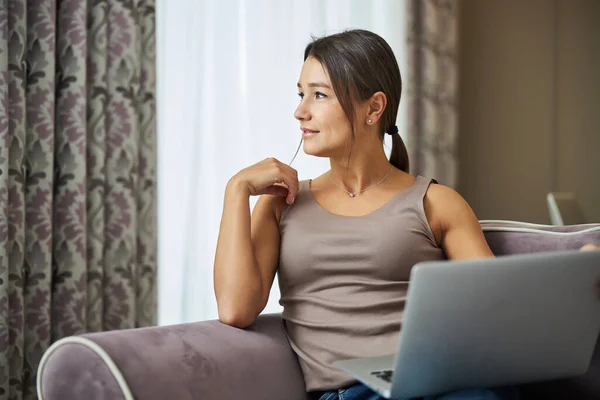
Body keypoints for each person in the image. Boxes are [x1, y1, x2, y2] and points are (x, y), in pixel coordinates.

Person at [213, 29, 600, 400]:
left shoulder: (437, 202)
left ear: (374, 107)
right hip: (350, 392)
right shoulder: (283, 202)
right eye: (301, 94)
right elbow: (235, 309)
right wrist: (237, 190)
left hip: (447, 385)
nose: (300, 111)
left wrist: (575, 284)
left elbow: (497, 312)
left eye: (318, 95)